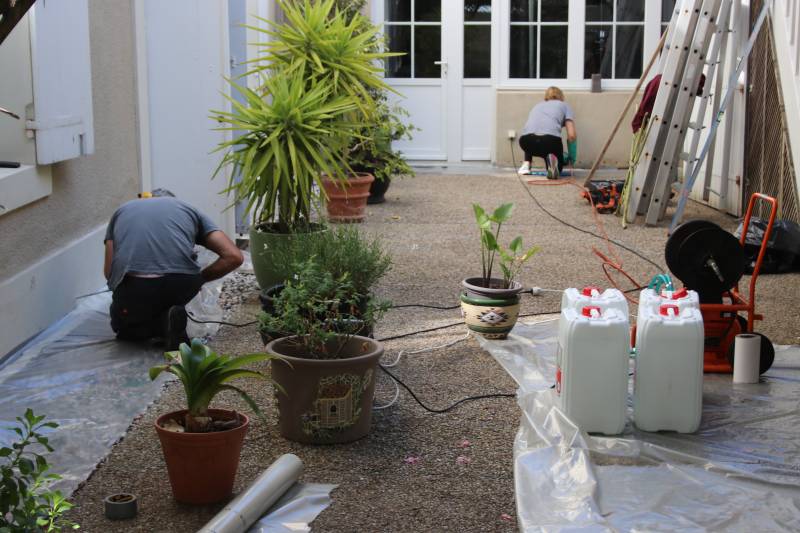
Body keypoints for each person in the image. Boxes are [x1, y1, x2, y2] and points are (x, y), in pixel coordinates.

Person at [103, 189, 243, 349]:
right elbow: (234, 256)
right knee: (168, 300)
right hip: (179, 284)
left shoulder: (122, 211)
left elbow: (109, 271)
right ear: (172, 201)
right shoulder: (188, 209)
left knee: (122, 326)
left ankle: (151, 324)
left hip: (134, 286)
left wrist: (125, 295)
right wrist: (200, 279)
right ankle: (168, 317)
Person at [517, 86, 577, 179]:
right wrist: (572, 157)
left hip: (525, 142)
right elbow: (572, 135)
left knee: (534, 133)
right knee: (553, 155)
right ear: (561, 96)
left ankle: (526, 164)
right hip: (549, 142)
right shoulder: (564, 105)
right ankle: (552, 166)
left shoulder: (537, 105)